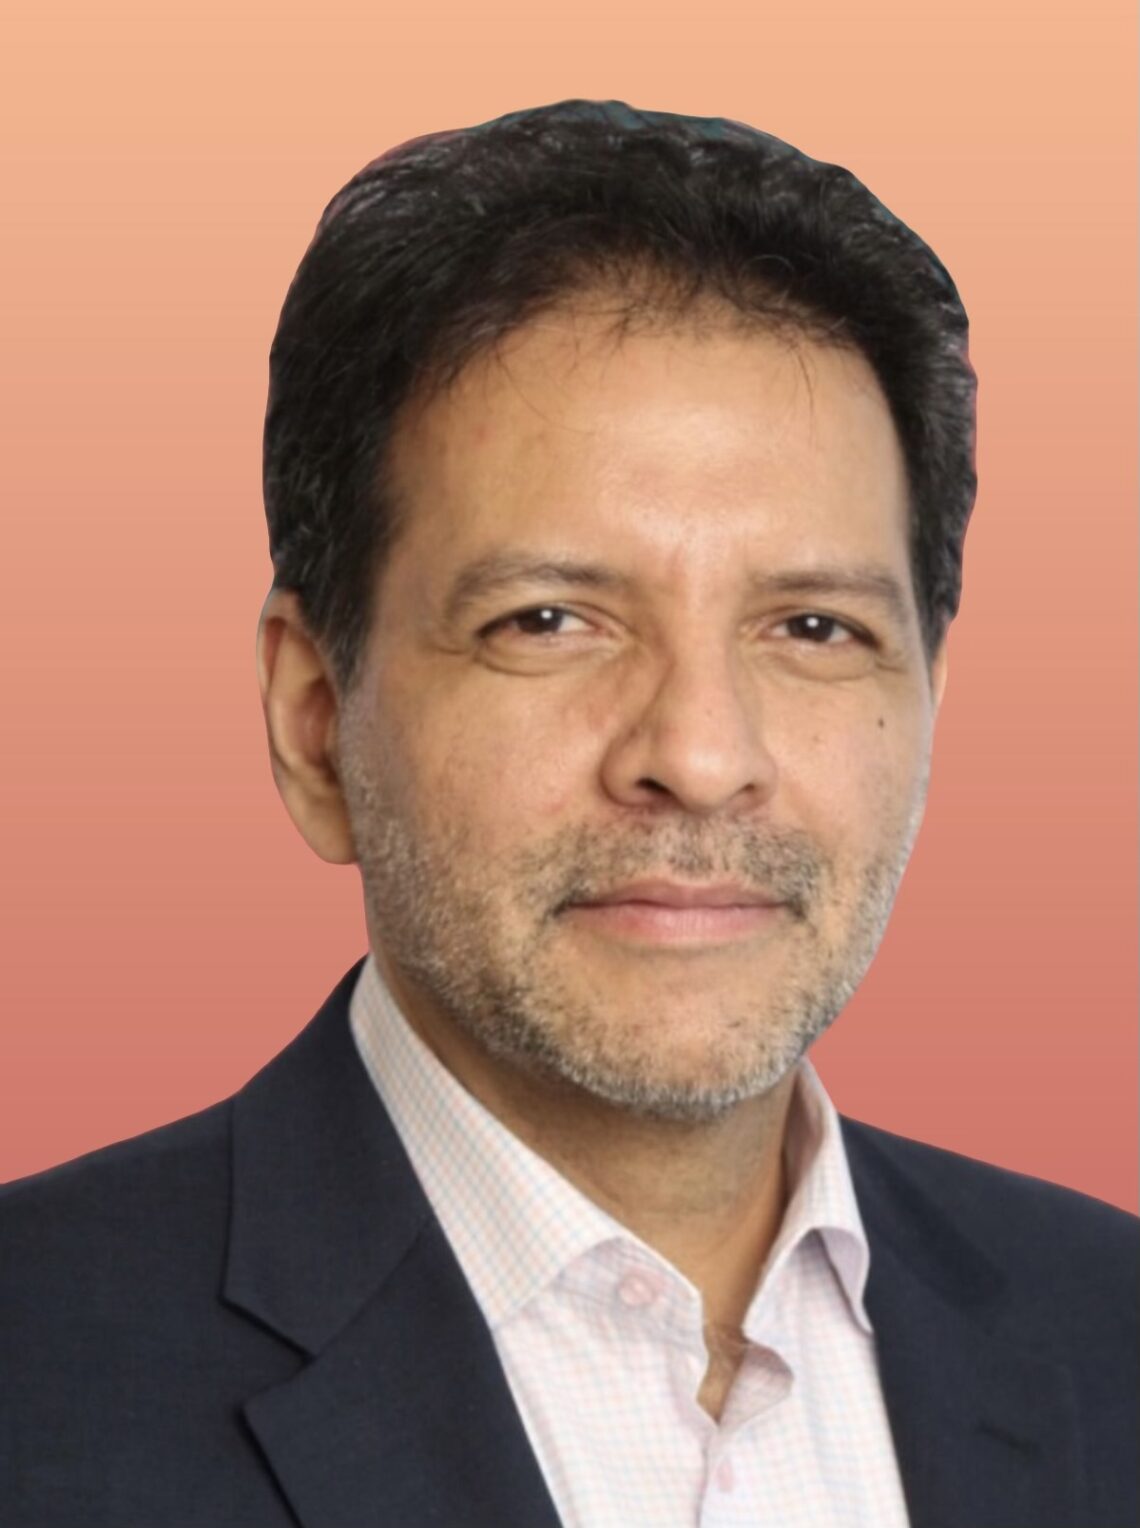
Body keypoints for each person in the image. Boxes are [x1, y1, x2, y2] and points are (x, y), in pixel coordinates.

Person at [1, 99, 1135, 1528]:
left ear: (929, 698)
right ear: (315, 719)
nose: (702, 757)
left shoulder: (1110, 1329)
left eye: (814, 627)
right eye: (548, 619)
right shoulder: (36, 1377)